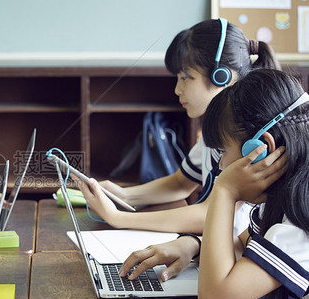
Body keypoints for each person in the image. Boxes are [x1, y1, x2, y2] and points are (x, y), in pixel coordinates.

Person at [122, 69, 309, 299]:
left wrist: (224, 191)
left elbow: (215, 298)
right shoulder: (290, 195)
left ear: (262, 149)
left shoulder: (298, 220)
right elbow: (246, 244)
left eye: (223, 150)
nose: (220, 163)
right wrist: (191, 244)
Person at [78, 18, 280, 236]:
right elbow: (181, 183)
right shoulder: (217, 128)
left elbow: (211, 215)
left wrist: (120, 218)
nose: (177, 89)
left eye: (186, 78)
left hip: (236, 257)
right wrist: (124, 195)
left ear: (221, 77)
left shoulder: (249, 140)